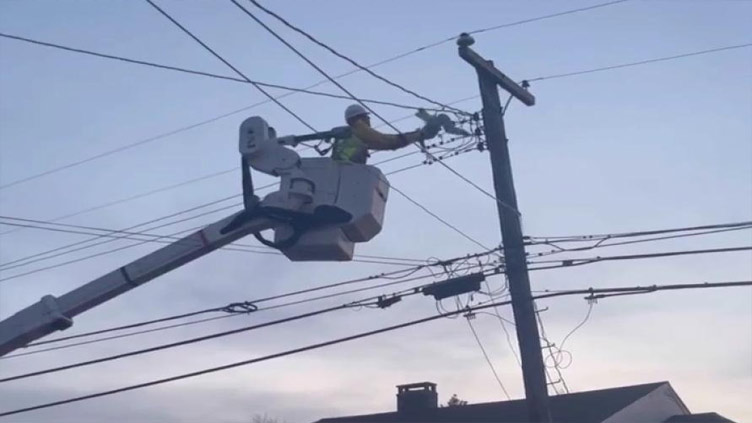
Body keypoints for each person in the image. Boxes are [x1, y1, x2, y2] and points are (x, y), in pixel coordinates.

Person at [331, 104, 441, 164]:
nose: (369, 120)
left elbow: (386, 143)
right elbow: (388, 142)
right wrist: (419, 135)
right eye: (367, 117)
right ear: (362, 118)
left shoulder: (349, 136)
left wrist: (416, 135)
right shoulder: (359, 129)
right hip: (348, 173)